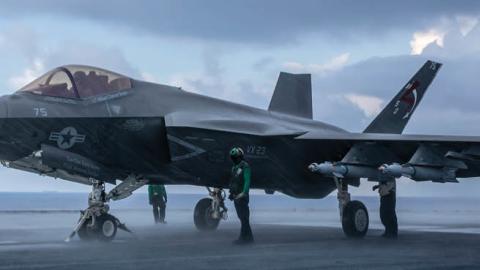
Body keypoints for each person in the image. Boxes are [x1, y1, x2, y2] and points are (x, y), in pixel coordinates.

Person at [228, 147, 254, 244]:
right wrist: (231, 193)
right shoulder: (234, 168)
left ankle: (244, 239)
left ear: (240, 157)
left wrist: (244, 193)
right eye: (233, 158)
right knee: (242, 218)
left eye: (236, 157)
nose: (234, 159)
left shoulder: (245, 167)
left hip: (242, 196)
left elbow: (247, 180)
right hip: (236, 195)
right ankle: (248, 238)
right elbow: (233, 181)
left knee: (244, 218)